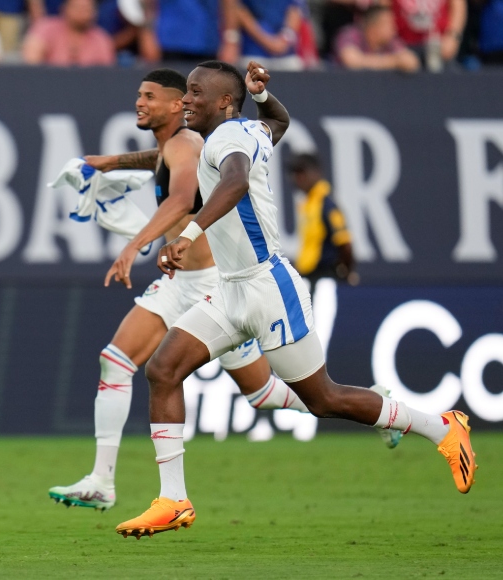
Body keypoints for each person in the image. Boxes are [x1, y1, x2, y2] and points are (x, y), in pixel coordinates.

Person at [113, 60, 477, 539]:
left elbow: (237, 181)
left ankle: (442, 428)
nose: (186, 100)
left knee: (324, 398)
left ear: (224, 102)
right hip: (231, 289)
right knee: (163, 370)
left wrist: (190, 232)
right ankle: (173, 499)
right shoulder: (250, 128)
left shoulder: (225, 140)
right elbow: (280, 122)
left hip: (268, 289)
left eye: (196, 93)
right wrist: (263, 95)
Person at [46, 68, 378, 512]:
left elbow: (182, 199)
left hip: (212, 284)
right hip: (178, 283)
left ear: (173, 105)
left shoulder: (190, 143)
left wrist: (133, 246)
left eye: (152, 96)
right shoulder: (175, 146)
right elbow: (160, 161)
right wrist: (108, 162)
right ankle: (104, 481)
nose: (141, 103)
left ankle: (373, 407)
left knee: (265, 395)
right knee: (118, 361)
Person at [289, 153, 357, 285]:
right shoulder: (309, 204)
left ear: (316, 172)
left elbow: (345, 243)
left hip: (322, 279)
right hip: (309, 277)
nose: (298, 178)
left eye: (302, 172)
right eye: (295, 173)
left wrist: (345, 273)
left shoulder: (327, 205)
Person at [139, 0, 240, 64]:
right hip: (167, 42)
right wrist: (147, 34)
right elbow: (147, 3)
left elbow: (230, 4)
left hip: (207, 42)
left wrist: (231, 40)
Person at [21, 0, 116, 66]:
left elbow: (107, 73)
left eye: (87, 8)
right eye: (78, 7)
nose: (82, 12)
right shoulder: (46, 28)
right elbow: (31, 62)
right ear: (64, 8)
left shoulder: (101, 39)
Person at [334, 4, 420, 71]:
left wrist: (396, 61)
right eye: (389, 25)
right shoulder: (350, 34)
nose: (394, 28)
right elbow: (351, 61)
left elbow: (411, 62)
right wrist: (394, 62)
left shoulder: (391, 41)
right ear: (373, 28)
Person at [392, 0, 466, 70]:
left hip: (438, 45)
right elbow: (384, 9)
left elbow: (458, 6)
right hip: (402, 45)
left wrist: (453, 37)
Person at [236, 0, 304, 70]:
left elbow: (295, 9)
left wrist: (284, 39)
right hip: (253, 52)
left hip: (286, 55)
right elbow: (238, 8)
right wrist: (269, 42)